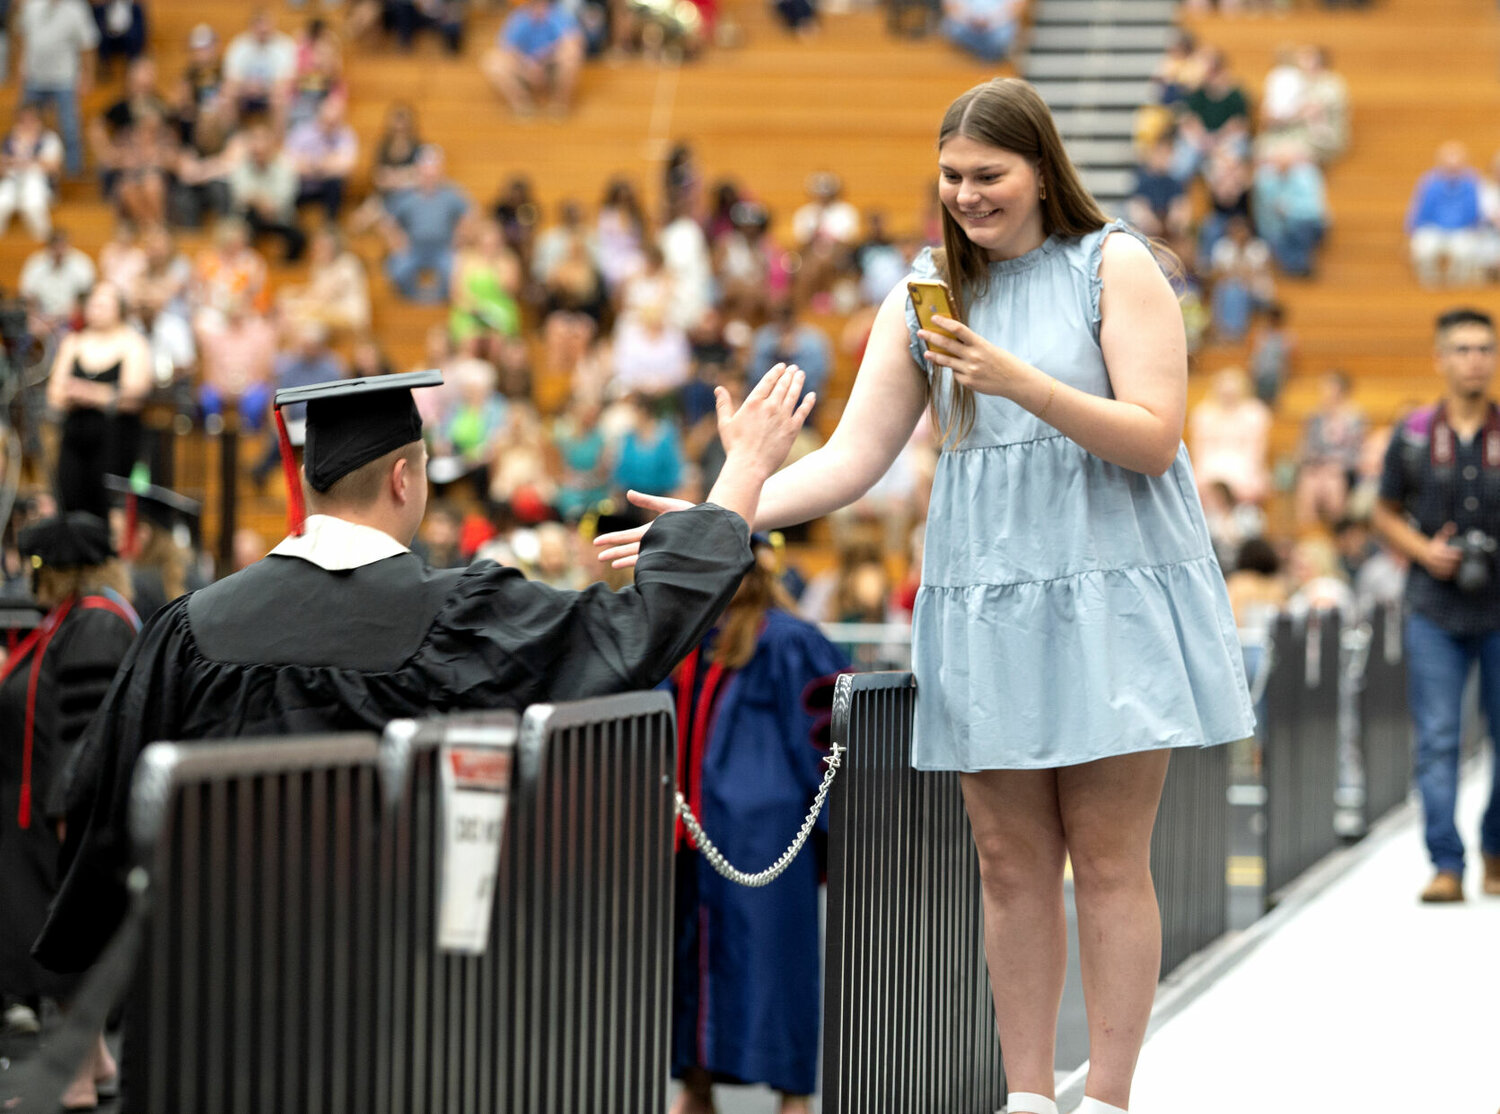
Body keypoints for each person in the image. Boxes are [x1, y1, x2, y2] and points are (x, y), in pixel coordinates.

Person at [598, 77, 1254, 1114]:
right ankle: (1031, 1094)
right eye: (950, 177)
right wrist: (720, 516)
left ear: (1041, 170)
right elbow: (853, 459)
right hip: (985, 594)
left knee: (1110, 858)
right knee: (1005, 857)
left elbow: (1155, 434)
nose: (967, 195)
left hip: (1109, 590)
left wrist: (1019, 383)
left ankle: (1113, 1097)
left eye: (988, 176)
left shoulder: (1115, 266)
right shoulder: (923, 290)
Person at [34, 363, 817, 1022]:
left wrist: (88, 982)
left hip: (210, 998)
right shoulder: (464, 615)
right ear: (406, 478)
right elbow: (640, 628)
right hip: (397, 1002)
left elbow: (106, 808)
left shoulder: (189, 627)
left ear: (310, 482)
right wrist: (744, 469)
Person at [666, 534, 848, 1114]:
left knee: (773, 962)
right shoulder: (685, 640)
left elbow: (827, 743)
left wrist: (826, 835)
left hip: (761, 841)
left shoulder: (790, 642)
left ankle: (791, 1094)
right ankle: (700, 1088)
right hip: (693, 834)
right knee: (696, 962)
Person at [0, 513, 137, 1111]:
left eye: (40, 567)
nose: (32, 580)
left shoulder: (96, 627)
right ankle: (98, 1062)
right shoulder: (77, 620)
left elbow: (87, 727)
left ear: (66, 571)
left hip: (61, 817)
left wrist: (68, 810)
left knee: (65, 934)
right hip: (44, 811)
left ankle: (76, 1074)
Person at [1371, 307, 1500, 904]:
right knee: (1440, 737)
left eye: (1484, 349)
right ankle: (1446, 863)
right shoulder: (1416, 433)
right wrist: (1425, 552)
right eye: (1463, 349)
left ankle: (1495, 850)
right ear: (1441, 359)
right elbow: (1381, 513)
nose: (1474, 359)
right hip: (1434, 607)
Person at [46, 282, 153, 521]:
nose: (97, 309)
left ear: (119, 308)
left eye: (104, 304)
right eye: (93, 304)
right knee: (70, 503)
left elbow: (134, 395)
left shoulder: (132, 342)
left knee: (109, 508)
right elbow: (55, 394)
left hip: (115, 438)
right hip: (75, 436)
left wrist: (86, 393)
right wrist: (103, 395)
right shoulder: (73, 341)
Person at [18, 0, 99, 179]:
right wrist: (22, 63)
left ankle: (73, 172)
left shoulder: (77, 9)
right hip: (34, 77)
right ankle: (25, 167)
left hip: (64, 79)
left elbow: (88, 44)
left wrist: (88, 75)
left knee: (69, 127)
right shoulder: (31, 6)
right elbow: (24, 35)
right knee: (25, 123)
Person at [482, 0, 585, 118]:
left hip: (551, 70)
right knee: (492, 61)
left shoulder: (559, 16)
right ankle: (522, 105)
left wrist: (542, 61)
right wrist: (528, 66)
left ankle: (559, 105)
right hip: (525, 70)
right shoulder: (518, 18)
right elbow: (507, 47)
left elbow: (573, 41)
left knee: (571, 54)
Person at [1406, 142, 1485, 288]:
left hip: (1461, 229)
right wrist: (1412, 230)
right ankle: (1430, 284)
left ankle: (1456, 285)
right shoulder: (1429, 181)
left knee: (1464, 250)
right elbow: (1419, 209)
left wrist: (1475, 229)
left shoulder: (1471, 182)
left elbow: (1475, 210)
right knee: (1424, 248)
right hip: (1432, 228)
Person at [0, 101, 63, 240]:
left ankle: (44, 240)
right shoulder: (10, 140)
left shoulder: (49, 139)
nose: (27, 124)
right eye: (23, 120)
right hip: (12, 181)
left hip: (38, 182)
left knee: (32, 203)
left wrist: (26, 157)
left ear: (39, 121)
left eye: (31, 120)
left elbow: (54, 167)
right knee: (2, 202)